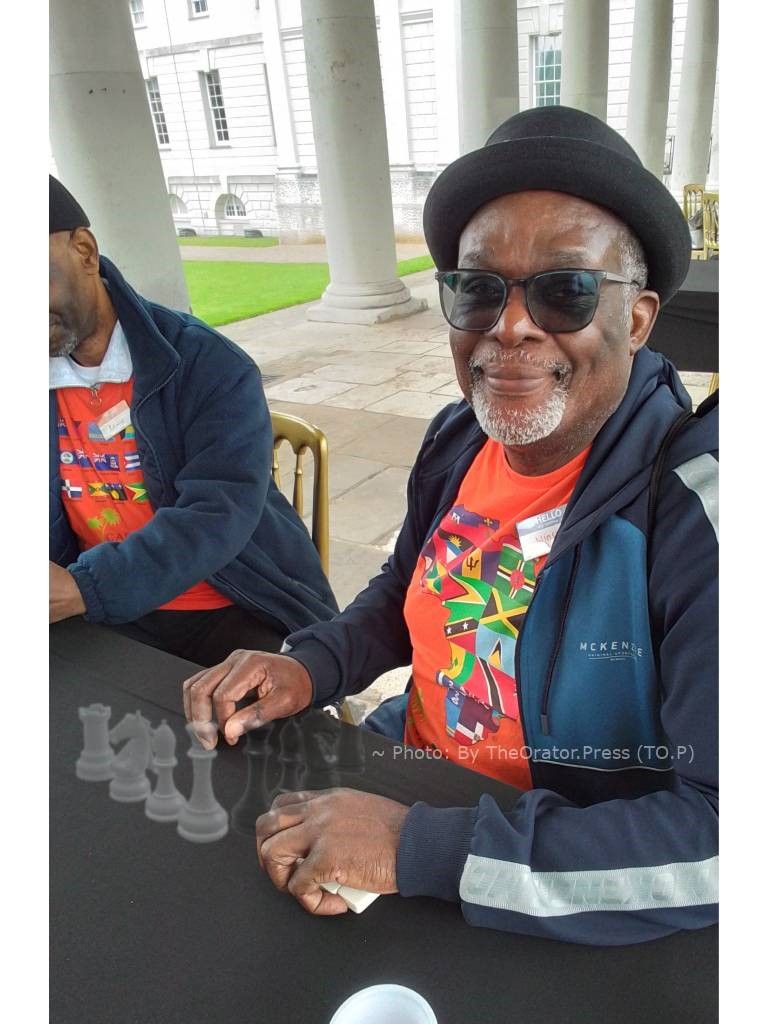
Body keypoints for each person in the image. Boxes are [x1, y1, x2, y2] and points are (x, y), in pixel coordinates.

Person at [182, 107, 718, 944]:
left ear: (639, 319)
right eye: (478, 288)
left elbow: (719, 843)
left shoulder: (696, 514)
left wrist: (414, 849)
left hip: (544, 862)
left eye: (565, 290)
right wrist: (311, 665)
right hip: (406, 769)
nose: (509, 324)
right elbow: (411, 588)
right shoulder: (458, 437)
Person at [49, 175, 338, 666]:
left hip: (230, 602)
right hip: (101, 610)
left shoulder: (208, 364)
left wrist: (84, 587)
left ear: (85, 252)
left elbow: (216, 512)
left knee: (257, 713)